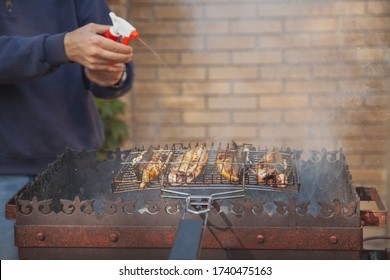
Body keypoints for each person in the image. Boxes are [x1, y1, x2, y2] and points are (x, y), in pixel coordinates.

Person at [0, 0, 134, 259]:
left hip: (77, 172)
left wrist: (112, 76)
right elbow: (64, 47)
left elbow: (117, 68)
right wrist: (58, 47)